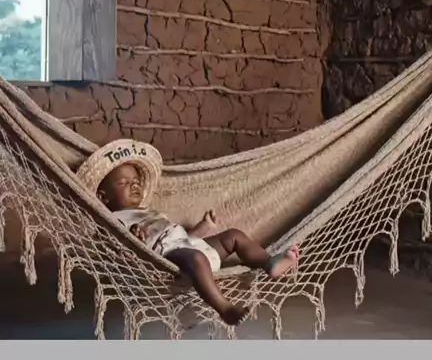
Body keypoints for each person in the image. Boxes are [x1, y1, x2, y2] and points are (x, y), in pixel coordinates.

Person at [76, 140, 299, 326]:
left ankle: (269, 263)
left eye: (136, 181)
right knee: (196, 258)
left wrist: (204, 226)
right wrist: (133, 240)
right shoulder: (113, 221)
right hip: (165, 259)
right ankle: (225, 308)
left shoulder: (148, 212)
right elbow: (118, 250)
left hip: (186, 245)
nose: (134, 185)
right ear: (104, 197)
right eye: (123, 183)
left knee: (233, 236)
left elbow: (182, 237)